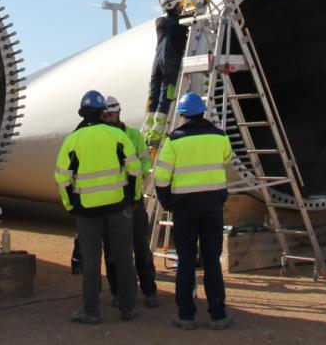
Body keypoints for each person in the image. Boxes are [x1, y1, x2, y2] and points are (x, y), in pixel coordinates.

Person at [54, 90, 140, 324]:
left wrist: (71, 205)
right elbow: (135, 170)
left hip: (87, 211)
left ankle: (91, 311)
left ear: (82, 113)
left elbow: (62, 178)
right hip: (118, 207)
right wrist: (132, 198)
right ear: (103, 112)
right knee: (123, 257)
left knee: (91, 261)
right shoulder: (117, 135)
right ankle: (128, 308)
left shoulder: (73, 140)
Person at [154, 92, 233, 331]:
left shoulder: (174, 140)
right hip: (213, 207)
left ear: (183, 115)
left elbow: (161, 178)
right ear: (202, 112)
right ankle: (218, 314)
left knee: (186, 261)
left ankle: (186, 315)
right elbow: (227, 159)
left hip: (185, 209)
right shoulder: (220, 136)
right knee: (212, 261)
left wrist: (169, 203)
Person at [100, 96, 159, 307]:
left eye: (112, 114)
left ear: (119, 113)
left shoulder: (133, 135)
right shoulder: (101, 137)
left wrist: (136, 176)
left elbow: (145, 160)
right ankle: (118, 292)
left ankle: (149, 291)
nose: (109, 118)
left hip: (133, 201)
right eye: (105, 115)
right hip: (111, 202)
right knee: (113, 251)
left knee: (141, 247)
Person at [144, 0, 188, 146]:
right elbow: (181, 27)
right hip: (170, 62)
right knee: (165, 96)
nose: (181, 7)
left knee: (153, 96)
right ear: (176, 6)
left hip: (156, 63)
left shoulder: (159, 22)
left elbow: (170, 22)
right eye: (179, 4)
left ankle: (146, 131)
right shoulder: (181, 27)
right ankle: (156, 134)